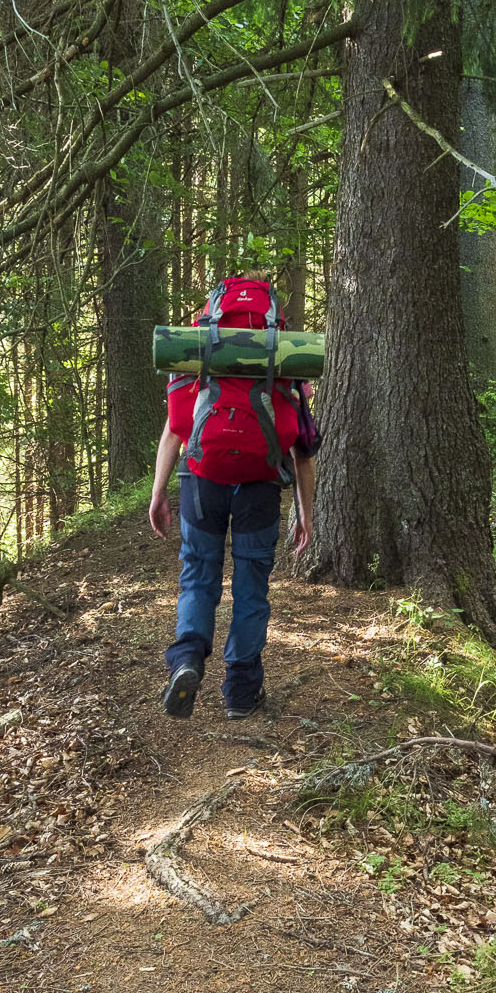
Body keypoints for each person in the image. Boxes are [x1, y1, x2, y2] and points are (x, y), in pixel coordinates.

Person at [149, 281, 319, 720]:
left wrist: (158, 494)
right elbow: (302, 449)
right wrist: (306, 513)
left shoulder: (198, 353)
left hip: (201, 480)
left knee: (198, 575)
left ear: (212, 313)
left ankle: (186, 659)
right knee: (251, 587)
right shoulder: (283, 359)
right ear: (274, 319)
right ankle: (241, 692)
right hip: (260, 484)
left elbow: (174, 428)